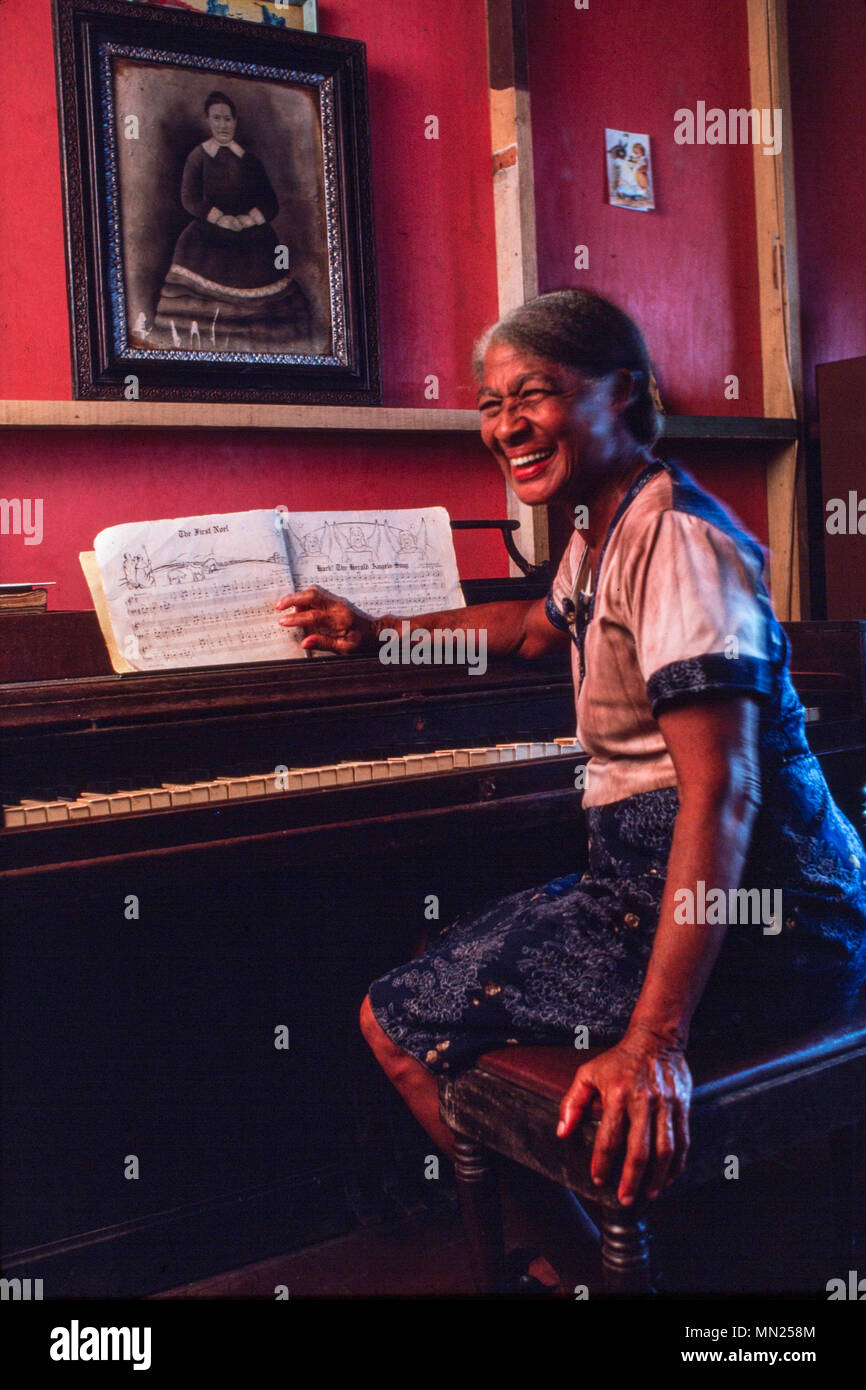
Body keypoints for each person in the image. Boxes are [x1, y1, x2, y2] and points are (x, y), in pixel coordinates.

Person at [274, 288, 866, 1276]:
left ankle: (573, 1263)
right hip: (648, 880)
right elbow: (526, 631)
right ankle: (577, 1249)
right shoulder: (601, 526)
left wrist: (653, 1040)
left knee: (395, 1017)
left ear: (621, 393)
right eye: (488, 402)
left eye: (535, 394)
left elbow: (720, 796)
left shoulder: (676, 544)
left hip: (774, 923)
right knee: (442, 960)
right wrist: (376, 632)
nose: (504, 424)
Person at [153, 90, 310, 352]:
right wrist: (220, 219)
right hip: (208, 234)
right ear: (208, 120)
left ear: (235, 121)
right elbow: (189, 198)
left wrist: (249, 220)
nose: (222, 125)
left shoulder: (249, 160)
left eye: (227, 119)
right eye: (217, 118)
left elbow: (269, 201)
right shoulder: (198, 156)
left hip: (251, 237)